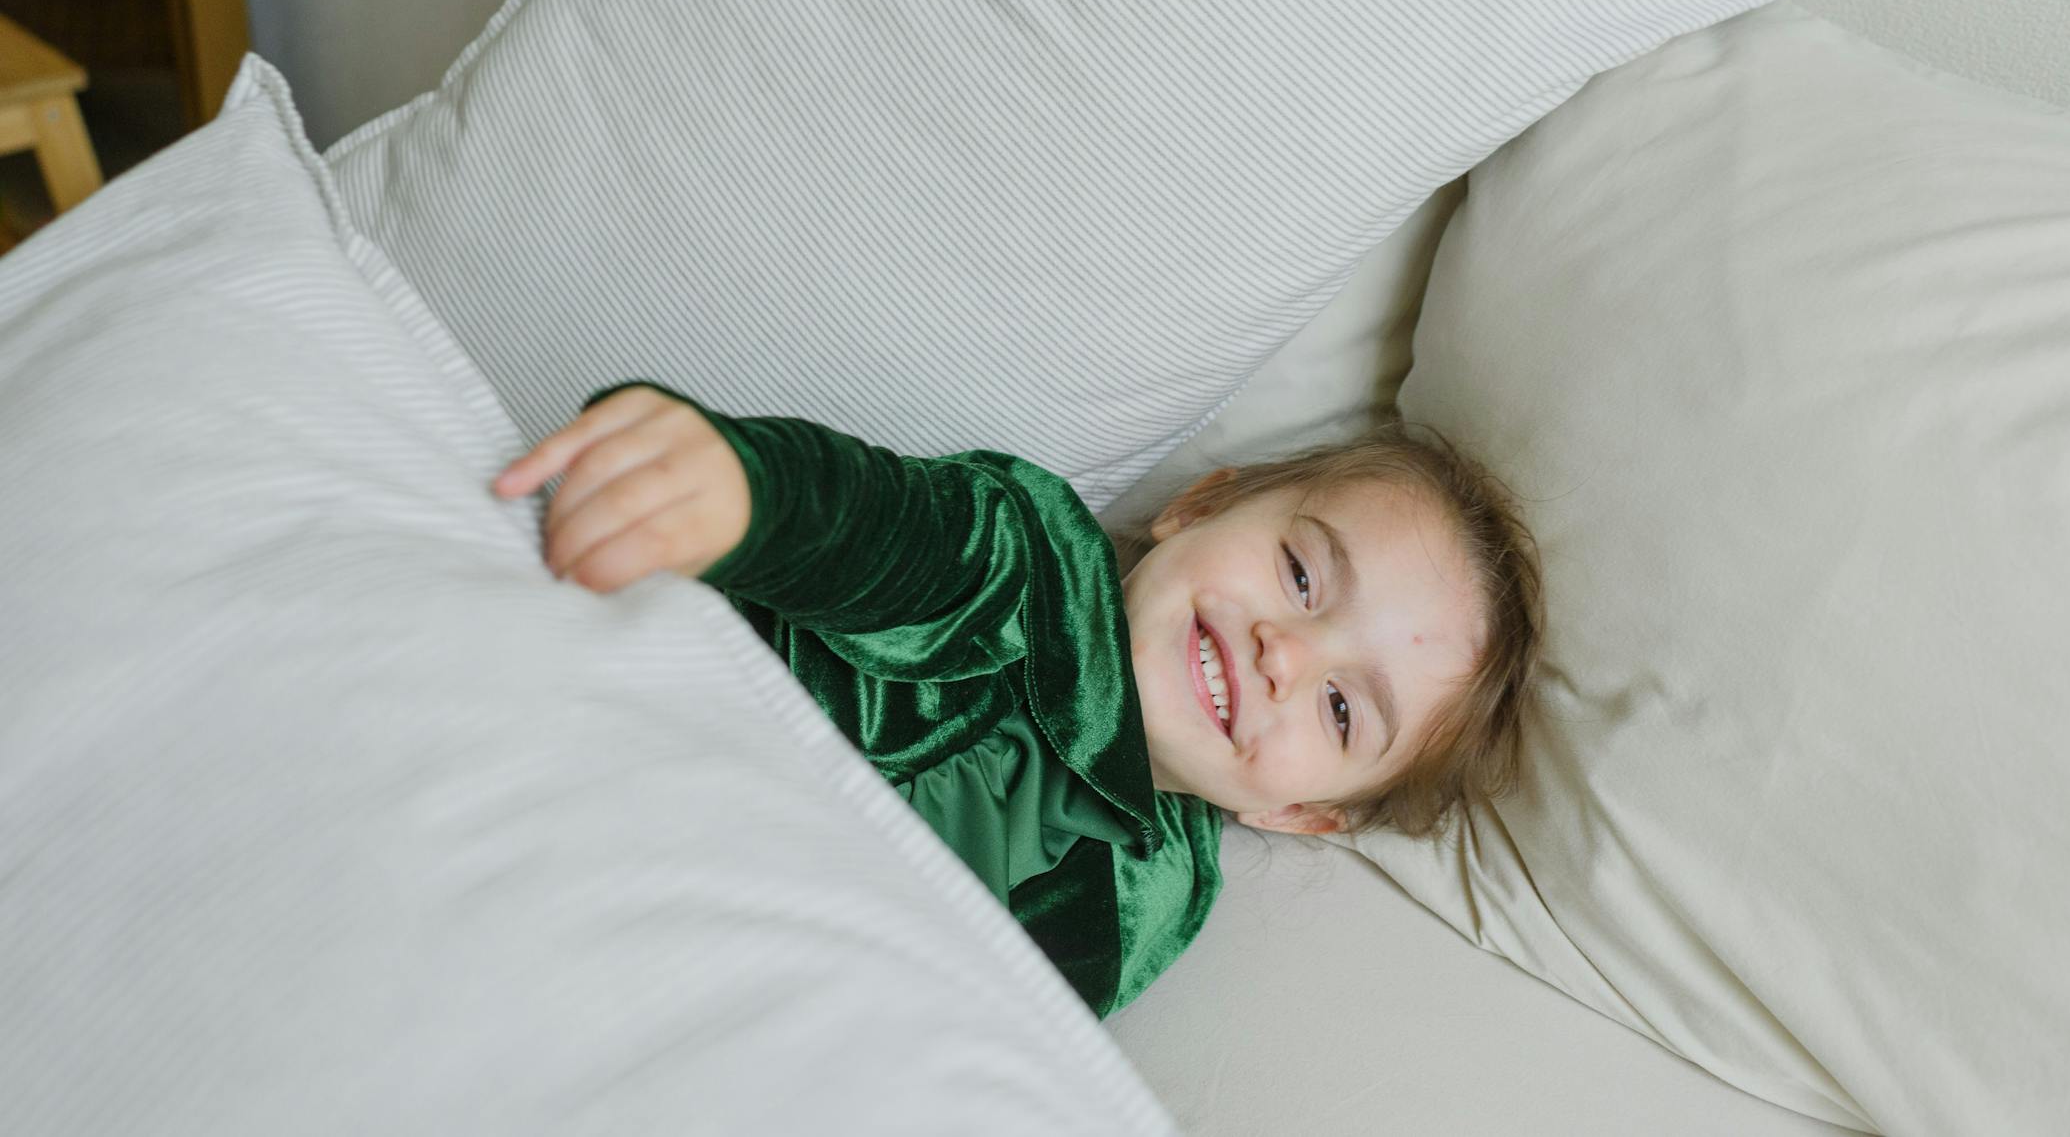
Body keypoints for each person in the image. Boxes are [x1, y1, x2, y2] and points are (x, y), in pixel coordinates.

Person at [492, 382, 1543, 1015]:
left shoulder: (1154, 902)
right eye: (1303, 577)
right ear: (1200, 506)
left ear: (1300, 815)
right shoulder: (1029, 557)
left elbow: (983, 1029)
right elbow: (873, 528)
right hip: (620, 768)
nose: (1284, 653)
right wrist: (746, 493)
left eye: (1342, 711)